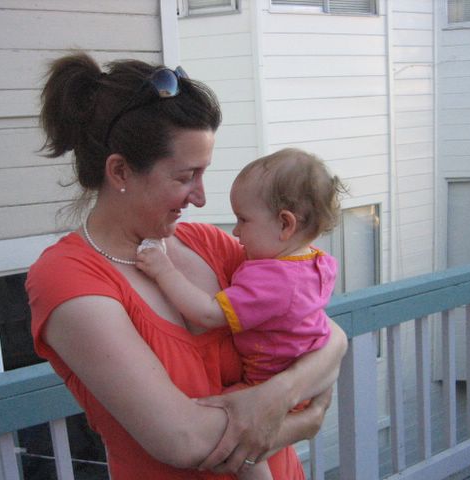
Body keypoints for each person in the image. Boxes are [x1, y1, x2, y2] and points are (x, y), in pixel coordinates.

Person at [26, 51, 348, 480]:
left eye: (203, 174)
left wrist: (277, 396)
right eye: (184, 177)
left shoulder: (210, 244)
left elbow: (330, 337)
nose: (200, 197)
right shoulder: (69, 278)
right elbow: (184, 440)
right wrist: (302, 420)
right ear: (120, 172)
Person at [136, 148, 342, 480]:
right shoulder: (314, 262)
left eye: (243, 220)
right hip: (305, 378)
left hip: (268, 383)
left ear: (285, 224)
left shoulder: (272, 279)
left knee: (232, 425)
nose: (235, 232)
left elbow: (207, 313)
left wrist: (163, 271)